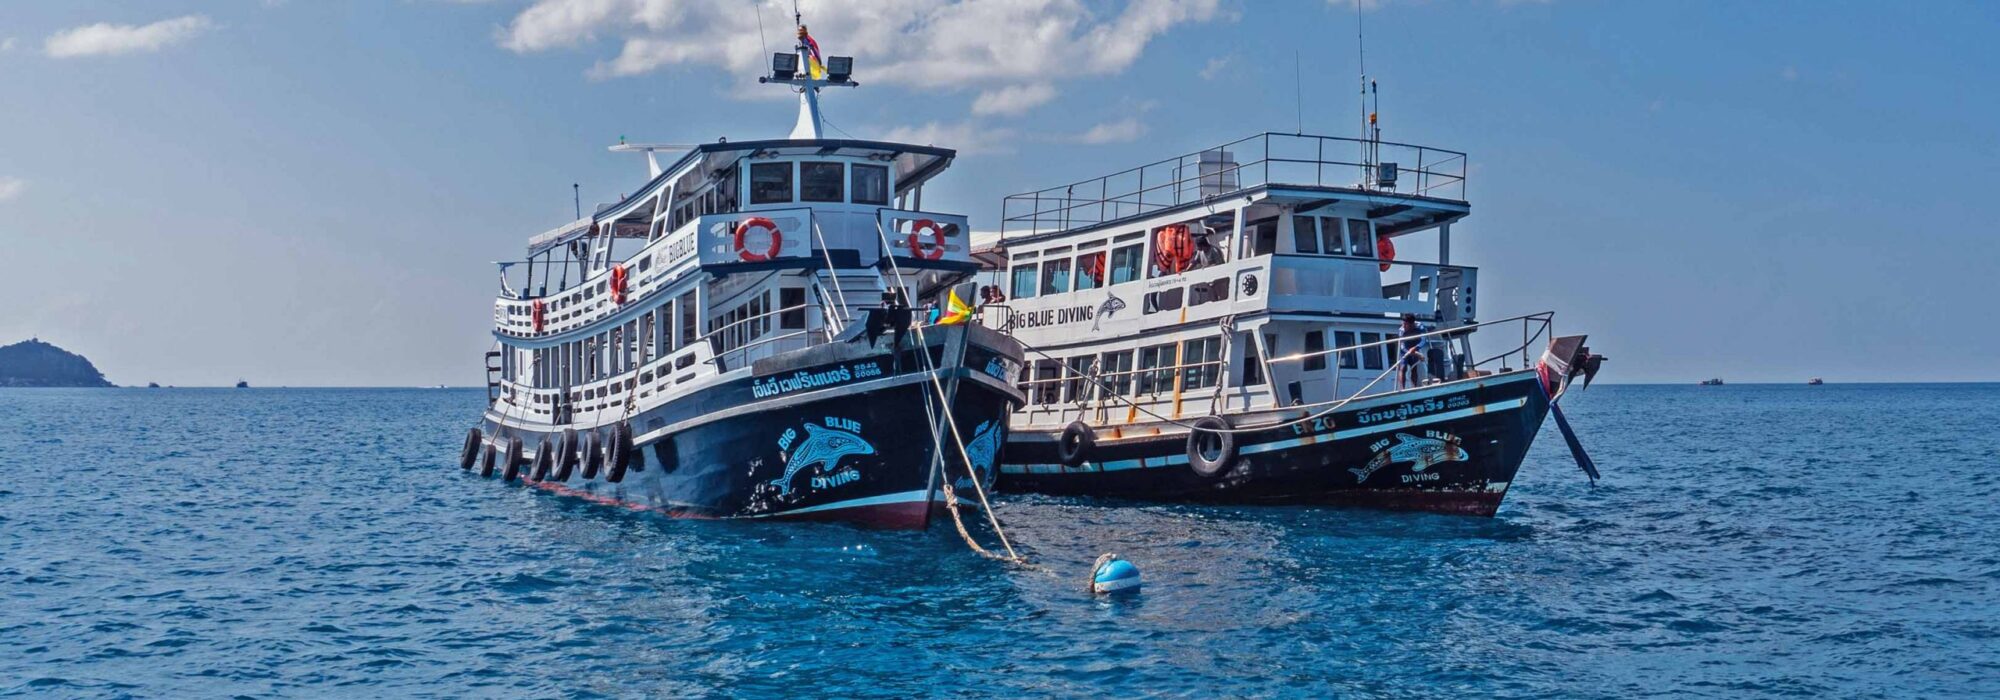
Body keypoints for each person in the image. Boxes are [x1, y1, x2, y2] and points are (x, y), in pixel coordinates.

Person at [1398, 314, 1422, 389]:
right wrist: (1409, 352)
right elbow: (1402, 346)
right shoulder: (1401, 330)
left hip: (1415, 347)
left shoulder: (1420, 326)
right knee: (1403, 367)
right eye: (1403, 324)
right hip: (1405, 350)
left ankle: (1414, 387)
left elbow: (1423, 340)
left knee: (1414, 368)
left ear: (1411, 324)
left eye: (1406, 324)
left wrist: (1416, 348)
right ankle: (1402, 389)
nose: (1403, 326)